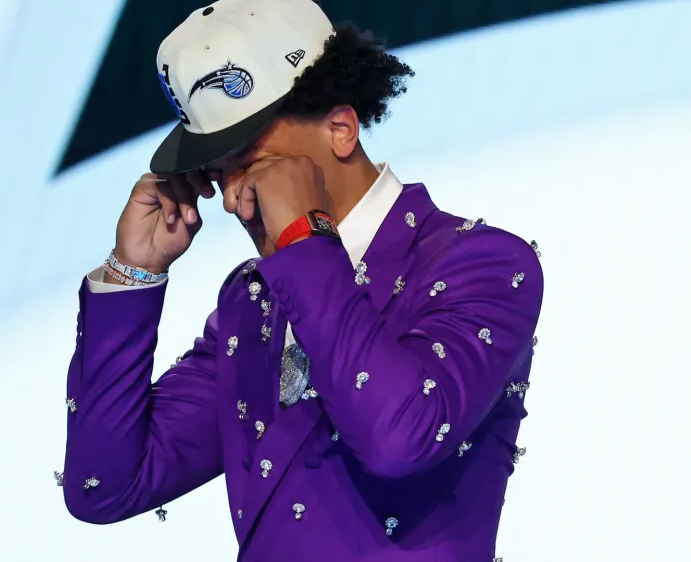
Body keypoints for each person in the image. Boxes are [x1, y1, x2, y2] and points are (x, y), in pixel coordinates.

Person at [59, 0, 543, 559]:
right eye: (219, 172)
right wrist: (134, 272)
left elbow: (399, 439)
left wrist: (303, 240)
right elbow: (104, 487)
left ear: (340, 129)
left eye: (253, 162)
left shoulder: (483, 263)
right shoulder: (251, 303)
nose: (235, 198)